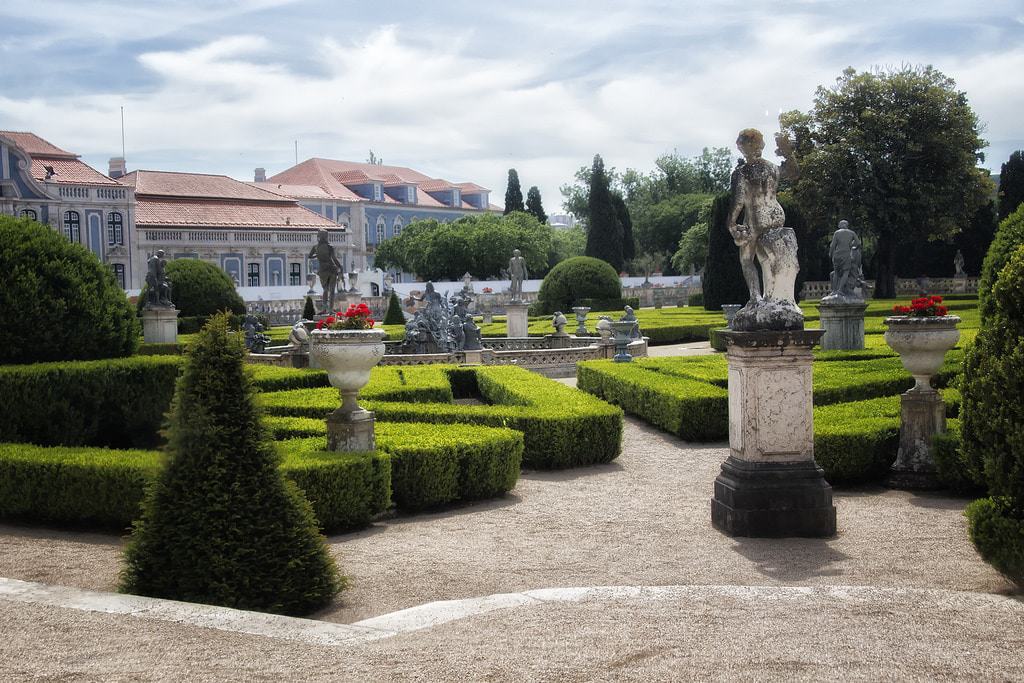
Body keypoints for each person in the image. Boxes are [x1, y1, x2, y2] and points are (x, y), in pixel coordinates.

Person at [726, 129, 799, 304]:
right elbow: (794, 173)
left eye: (741, 144)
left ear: (747, 146)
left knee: (746, 259)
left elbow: (738, 202)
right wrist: (789, 153)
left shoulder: (742, 172)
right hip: (777, 214)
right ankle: (773, 296)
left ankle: (755, 297)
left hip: (757, 219)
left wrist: (731, 223)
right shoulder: (773, 168)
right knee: (766, 257)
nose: (739, 147)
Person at [308, 229, 343, 312]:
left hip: (323, 270)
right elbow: (334, 259)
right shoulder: (330, 247)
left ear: (319, 237)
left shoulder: (315, 247)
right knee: (332, 291)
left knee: (325, 290)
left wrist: (317, 255)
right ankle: (330, 309)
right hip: (332, 269)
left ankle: (324, 309)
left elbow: (310, 256)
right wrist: (340, 267)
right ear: (326, 237)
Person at [828, 220, 862, 299]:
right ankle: (840, 289)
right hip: (846, 255)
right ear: (847, 225)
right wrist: (853, 247)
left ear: (840, 225)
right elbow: (858, 243)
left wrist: (830, 254)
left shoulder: (837, 233)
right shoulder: (852, 233)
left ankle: (834, 290)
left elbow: (832, 245)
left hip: (837, 254)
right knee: (845, 272)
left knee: (836, 272)